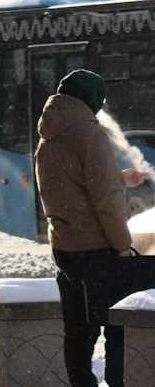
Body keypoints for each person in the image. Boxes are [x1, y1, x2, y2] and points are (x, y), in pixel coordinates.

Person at [34, 67, 155, 387]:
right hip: (97, 250)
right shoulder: (90, 134)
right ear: (91, 99)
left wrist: (120, 178)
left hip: (66, 250)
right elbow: (106, 204)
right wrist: (122, 246)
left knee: (78, 332)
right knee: (120, 326)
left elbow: (69, 184)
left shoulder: (49, 135)